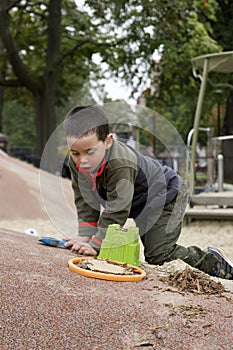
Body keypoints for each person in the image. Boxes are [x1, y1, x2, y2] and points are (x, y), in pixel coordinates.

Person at [63, 105, 233, 280]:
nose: (82, 160)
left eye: (89, 152)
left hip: (167, 195)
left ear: (107, 141)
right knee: (153, 254)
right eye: (75, 152)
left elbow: (117, 208)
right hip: (141, 203)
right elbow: (85, 199)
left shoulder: (120, 163)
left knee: (158, 255)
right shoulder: (75, 163)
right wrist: (85, 236)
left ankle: (212, 261)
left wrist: (96, 244)